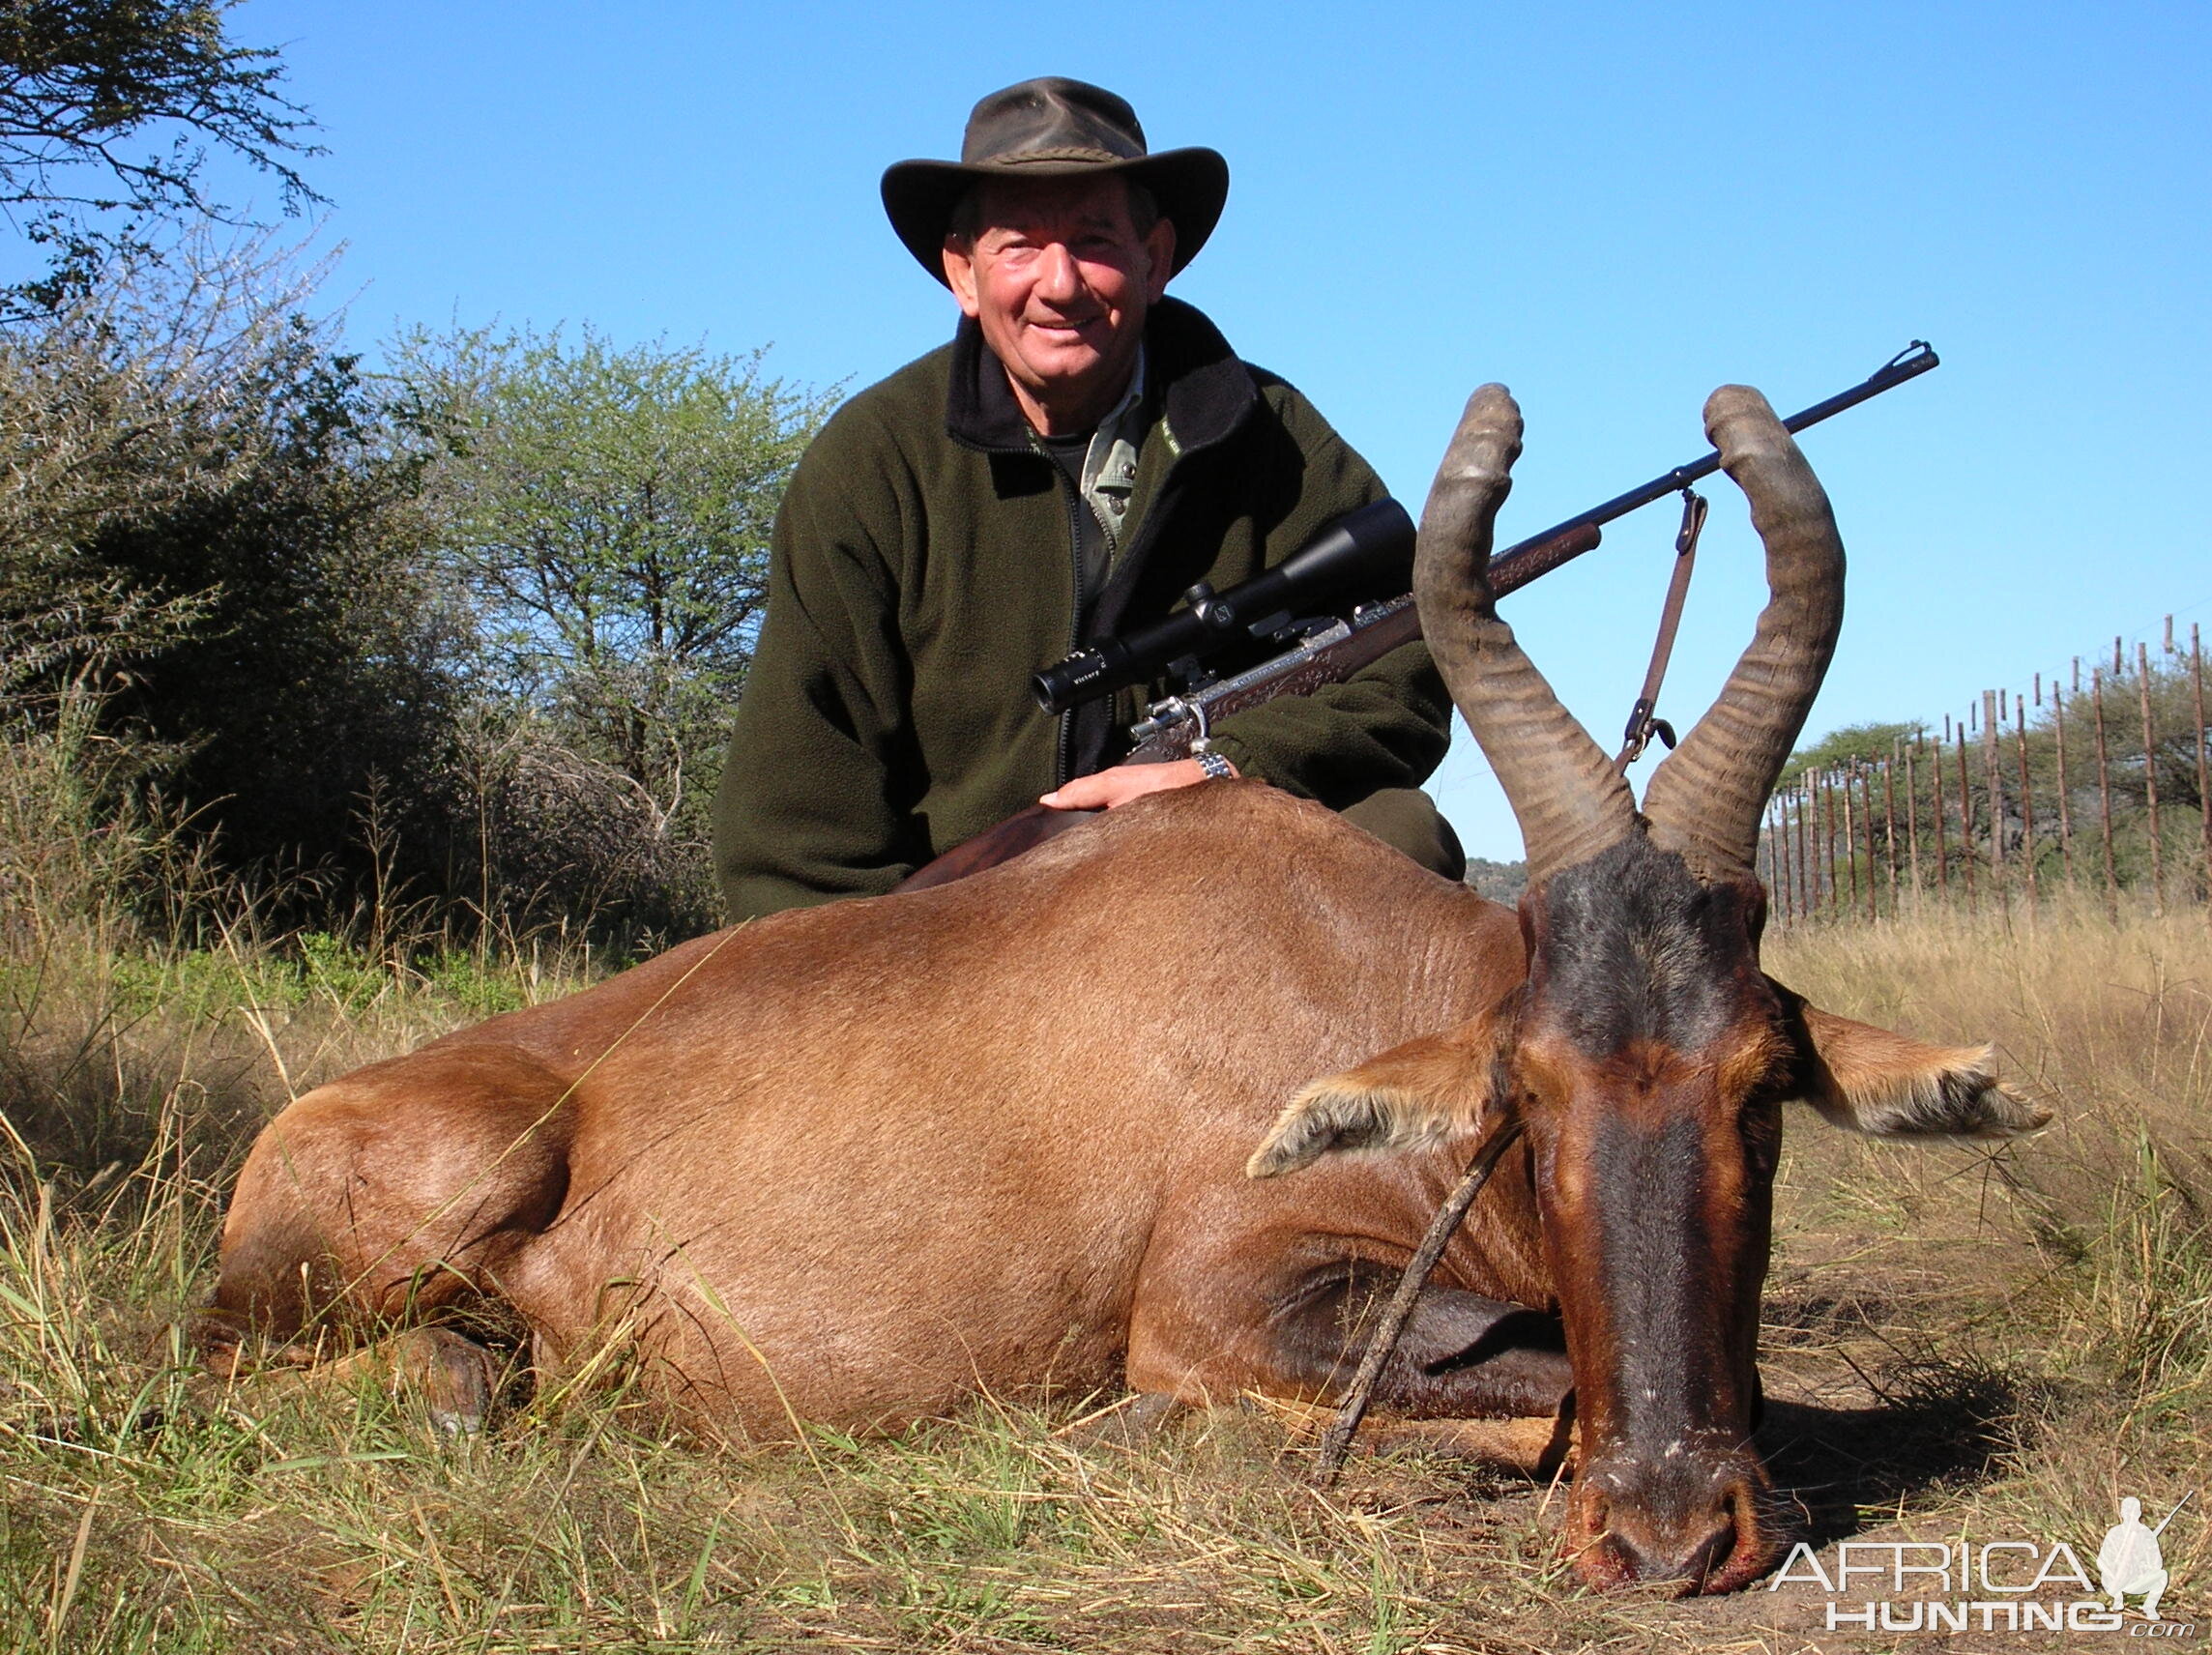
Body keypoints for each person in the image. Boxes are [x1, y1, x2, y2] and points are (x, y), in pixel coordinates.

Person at [712, 77, 1463, 922]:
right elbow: (790, 841)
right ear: (962, 271)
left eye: (1094, 240)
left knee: (1400, 837)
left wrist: (1227, 767)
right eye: (1020, 246)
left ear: (1157, 258)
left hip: (1200, 890)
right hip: (954, 935)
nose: (1060, 284)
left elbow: (1409, 654)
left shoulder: (1271, 433)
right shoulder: (871, 463)